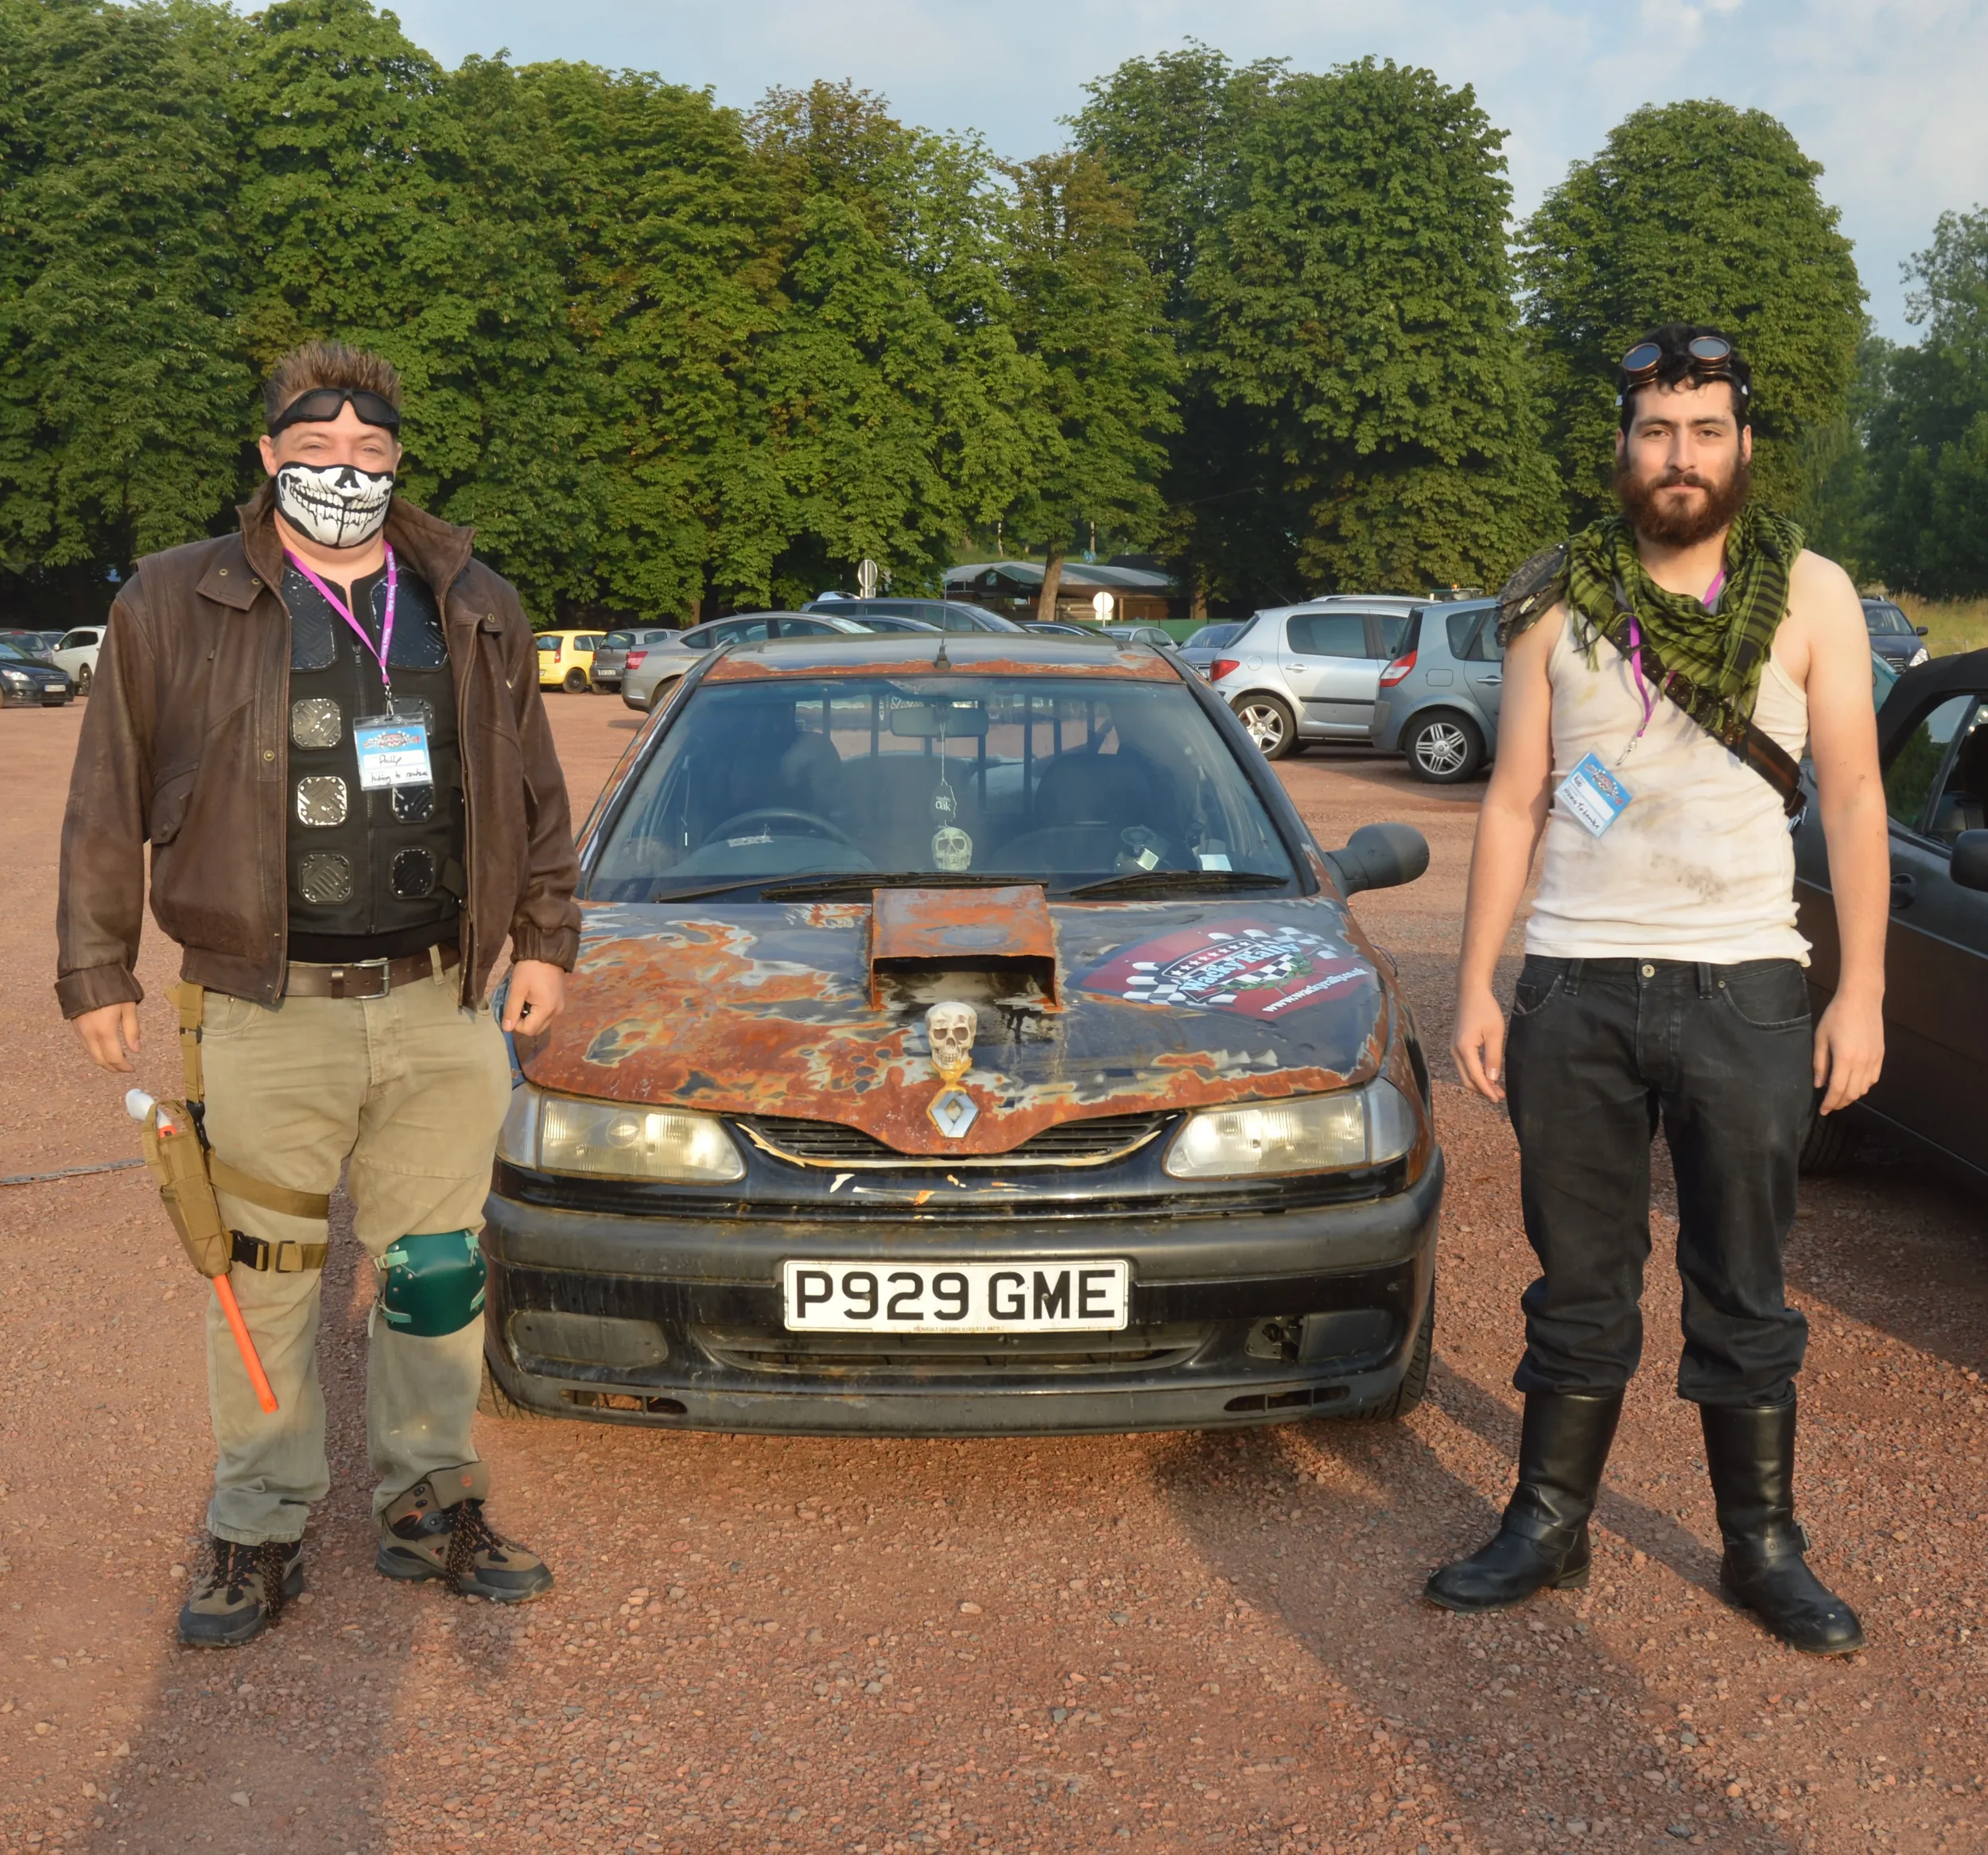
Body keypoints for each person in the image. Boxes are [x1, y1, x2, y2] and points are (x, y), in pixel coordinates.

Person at [57, 340, 581, 1647]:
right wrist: (95, 965)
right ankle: (258, 1524)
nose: (343, 470)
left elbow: (533, 787)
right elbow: (105, 792)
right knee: (269, 1268)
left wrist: (547, 937)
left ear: (397, 459)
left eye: (369, 450)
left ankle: (427, 1501)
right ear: (269, 457)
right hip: (260, 1000)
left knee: (435, 1269)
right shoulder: (179, 600)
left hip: (441, 996)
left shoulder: (468, 596)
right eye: (317, 448)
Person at [1434, 325, 1887, 1655]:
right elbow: (1515, 802)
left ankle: (1763, 1547)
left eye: (1703, 431)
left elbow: (1855, 795)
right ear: (1623, 445)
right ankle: (1547, 1521)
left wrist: (1859, 992)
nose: (1677, 457)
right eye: (1654, 431)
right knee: (1578, 1278)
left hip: (1749, 987)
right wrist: (1478, 984)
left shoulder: (1809, 592)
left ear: (1744, 444)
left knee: (1743, 1282)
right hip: (1575, 986)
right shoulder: (1552, 598)